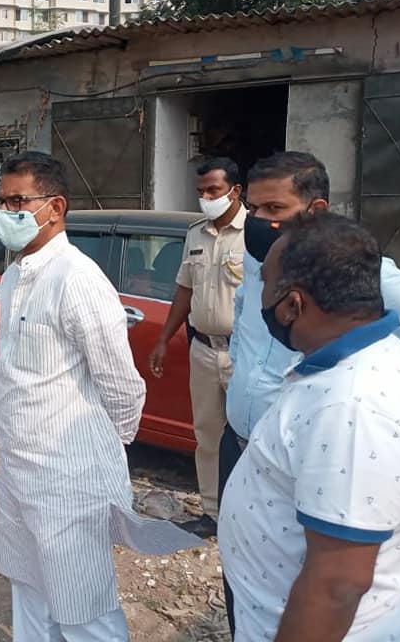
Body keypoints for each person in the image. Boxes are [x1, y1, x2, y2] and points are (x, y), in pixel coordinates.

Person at [220, 151, 400, 636]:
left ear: (293, 304)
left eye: (273, 210)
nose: (257, 222)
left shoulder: (355, 408)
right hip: (262, 449)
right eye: (253, 209)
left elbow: (337, 584)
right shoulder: (276, 269)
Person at [0, 152, 200, 641]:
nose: (6, 212)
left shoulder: (77, 279)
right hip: (19, 469)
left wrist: (98, 453)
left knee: (82, 601)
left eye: (18, 202)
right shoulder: (15, 276)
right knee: (29, 586)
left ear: (55, 207)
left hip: (68, 476)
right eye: (2, 202)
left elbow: (122, 385)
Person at [149, 157, 245, 538]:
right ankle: (212, 513)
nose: (206, 198)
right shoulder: (196, 234)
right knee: (207, 435)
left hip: (244, 354)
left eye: (213, 190)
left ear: (235, 191)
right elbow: (184, 289)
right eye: (201, 191)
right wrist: (163, 337)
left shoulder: (255, 234)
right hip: (203, 349)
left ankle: (247, 515)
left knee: (248, 437)